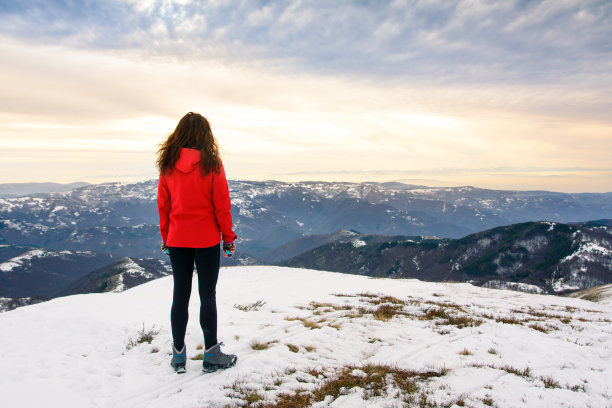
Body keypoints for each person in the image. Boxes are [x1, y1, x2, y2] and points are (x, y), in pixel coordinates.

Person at [156, 112, 237, 374]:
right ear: (206, 135)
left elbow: (163, 205)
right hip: (206, 239)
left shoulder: (168, 164)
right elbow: (221, 204)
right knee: (207, 296)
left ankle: (179, 356)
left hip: (177, 238)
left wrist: (165, 237)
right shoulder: (212, 164)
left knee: (180, 295)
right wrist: (228, 238)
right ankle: (211, 355)